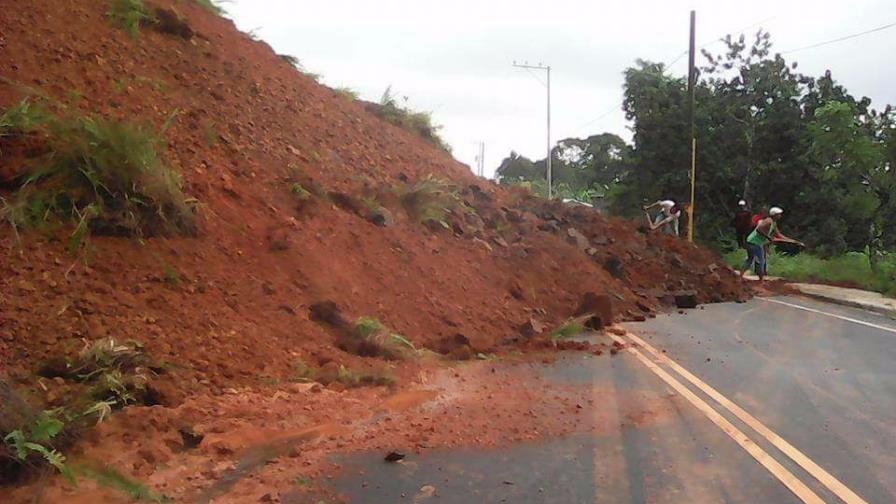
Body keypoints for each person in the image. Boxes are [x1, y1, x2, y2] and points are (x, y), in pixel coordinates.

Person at [739, 207, 804, 280]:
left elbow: (779, 235)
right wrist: (768, 237)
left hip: (751, 241)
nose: (780, 216)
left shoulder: (773, 223)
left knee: (750, 259)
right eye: (779, 214)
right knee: (761, 260)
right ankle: (761, 280)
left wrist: (793, 241)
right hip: (755, 242)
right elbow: (758, 229)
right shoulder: (768, 221)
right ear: (774, 215)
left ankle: (740, 276)